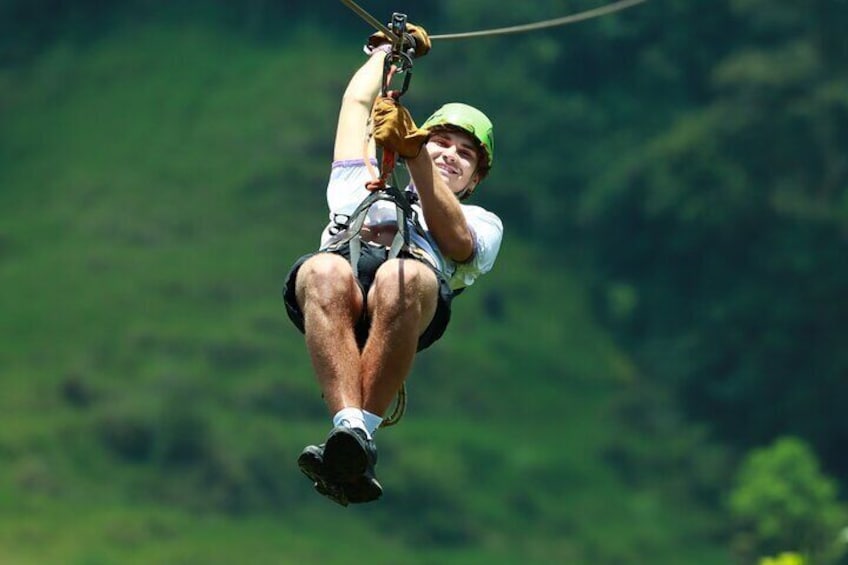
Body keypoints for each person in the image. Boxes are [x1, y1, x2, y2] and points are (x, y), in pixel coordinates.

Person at [282, 23, 503, 506]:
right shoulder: (359, 181)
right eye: (441, 142)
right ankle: (352, 435)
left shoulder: (480, 220)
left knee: (404, 275)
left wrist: (416, 155)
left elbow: (456, 243)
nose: (451, 155)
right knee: (322, 270)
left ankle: (355, 433)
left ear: (475, 179)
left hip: (406, 296)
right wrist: (386, 52)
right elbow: (356, 105)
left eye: (466, 155)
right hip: (339, 285)